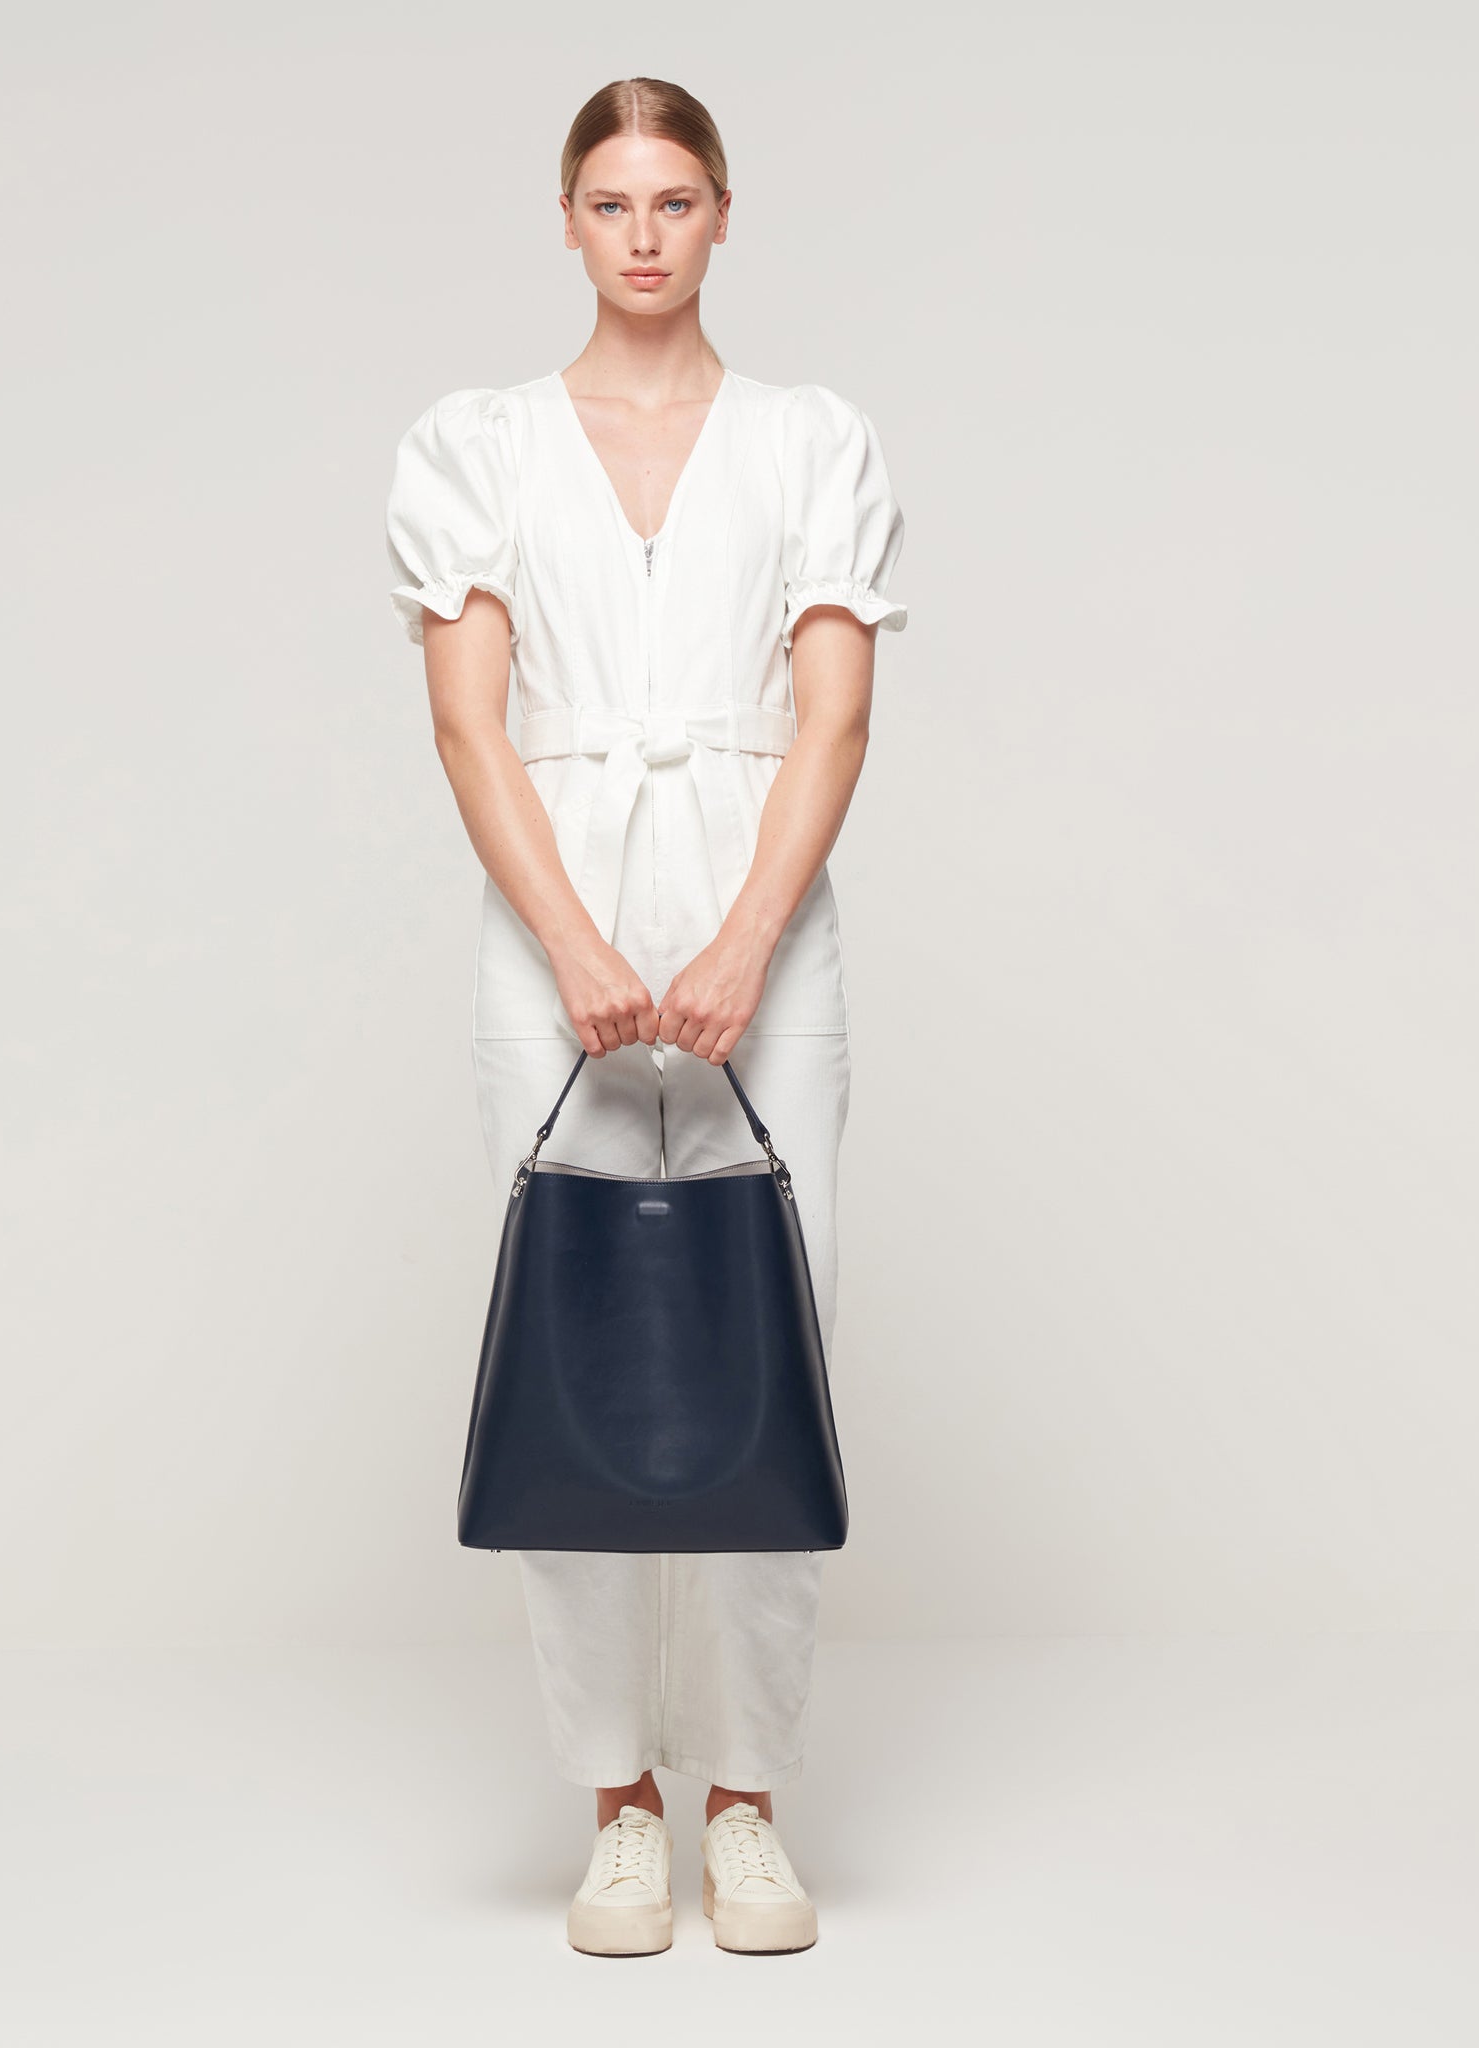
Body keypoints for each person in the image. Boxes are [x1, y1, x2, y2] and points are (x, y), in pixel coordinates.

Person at [383, 76, 907, 1956]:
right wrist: (576, 943)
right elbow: (468, 723)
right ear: (568, 219)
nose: (643, 235)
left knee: (777, 1340)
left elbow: (835, 712)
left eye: (674, 200)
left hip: (766, 924)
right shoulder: (477, 444)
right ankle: (617, 1803)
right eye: (611, 202)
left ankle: (748, 1802)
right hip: (558, 926)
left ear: (722, 213)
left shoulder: (812, 440)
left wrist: (750, 939)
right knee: (574, 1342)